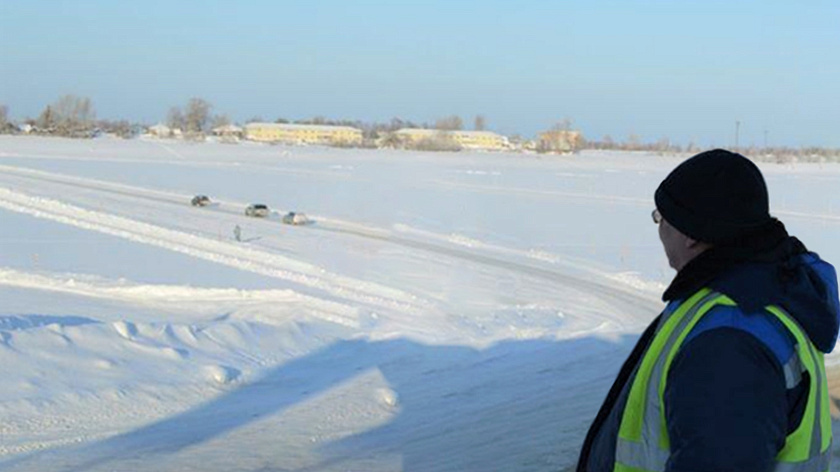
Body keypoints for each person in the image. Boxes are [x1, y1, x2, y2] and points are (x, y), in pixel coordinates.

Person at [577, 149, 839, 471]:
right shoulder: (758, 285)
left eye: (661, 218)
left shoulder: (729, 340)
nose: (659, 230)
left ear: (690, 234)